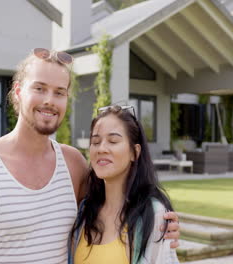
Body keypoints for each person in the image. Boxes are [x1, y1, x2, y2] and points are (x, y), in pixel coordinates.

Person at [0, 48, 180, 263]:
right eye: (40, 88)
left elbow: (112, 204)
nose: (49, 101)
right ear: (19, 91)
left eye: (59, 92)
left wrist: (158, 222)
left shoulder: (73, 164)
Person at [69, 105, 179, 264]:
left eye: (113, 141)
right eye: (95, 141)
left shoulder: (153, 215)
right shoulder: (84, 212)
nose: (102, 148)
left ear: (135, 152)